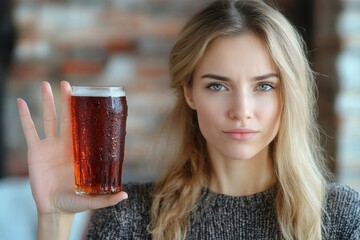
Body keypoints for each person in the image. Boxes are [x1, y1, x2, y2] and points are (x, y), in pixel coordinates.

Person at [17, 0, 360, 239]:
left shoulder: (342, 216)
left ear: (290, 94)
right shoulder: (128, 215)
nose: (241, 109)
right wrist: (53, 219)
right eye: (217, 85)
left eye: (264, 86)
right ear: (189, 92)